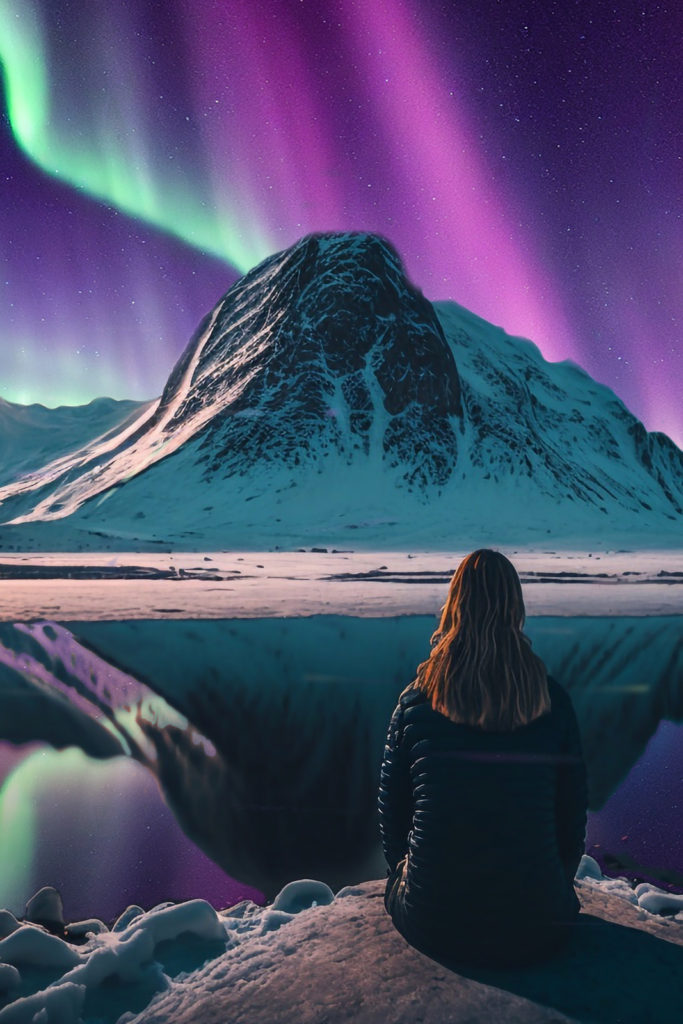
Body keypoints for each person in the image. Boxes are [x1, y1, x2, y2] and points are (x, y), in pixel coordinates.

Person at [378, 549, 587, 968]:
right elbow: (571, 818)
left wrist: (414, 875)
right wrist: (555, 887)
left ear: (455, 606)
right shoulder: (552, 700)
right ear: (516, 608)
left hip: (431, 922)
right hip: (541, 924)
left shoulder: (416, 699)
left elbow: (393, 816)